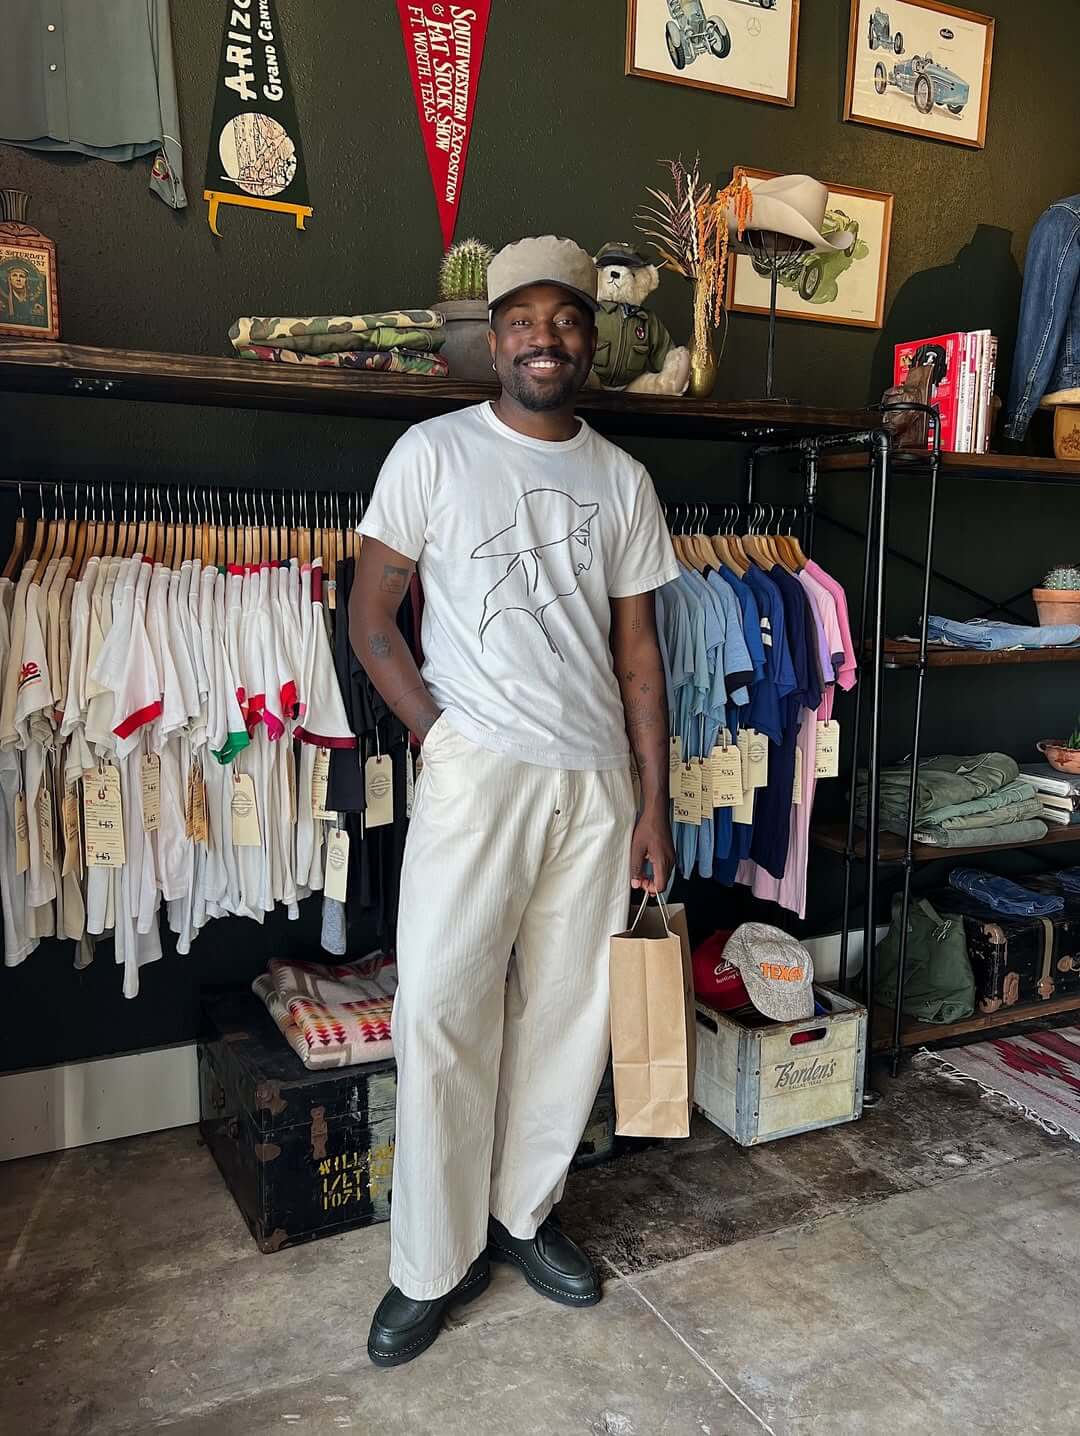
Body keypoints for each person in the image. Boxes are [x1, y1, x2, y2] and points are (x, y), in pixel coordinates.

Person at [350, 235, 678, 1368]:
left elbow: (641, 654)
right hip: (476, 773)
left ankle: (524, 1213)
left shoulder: (623, 480)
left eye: (569, 318)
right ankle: (429, 1261)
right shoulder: (432, 454)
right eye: (526, 319)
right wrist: (440, 737)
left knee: (567, 1011)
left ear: (592, 336)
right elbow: (371, 618)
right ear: (494, 339)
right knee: (441, 1005)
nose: (548, 337)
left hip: (592, 780)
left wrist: (653, 802)